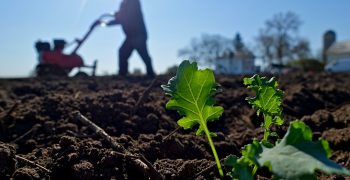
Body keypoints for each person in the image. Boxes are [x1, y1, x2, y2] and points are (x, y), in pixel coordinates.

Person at [107, 0, 155, 77]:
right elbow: (120, 19)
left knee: (144, 54)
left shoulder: (134, 2)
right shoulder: (122, 4)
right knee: (122, 52)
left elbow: (128, 15)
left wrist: (118, 15)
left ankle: (151, 74)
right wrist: (107, 23)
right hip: (130, 36)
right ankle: (122, 74)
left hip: (139, 34)